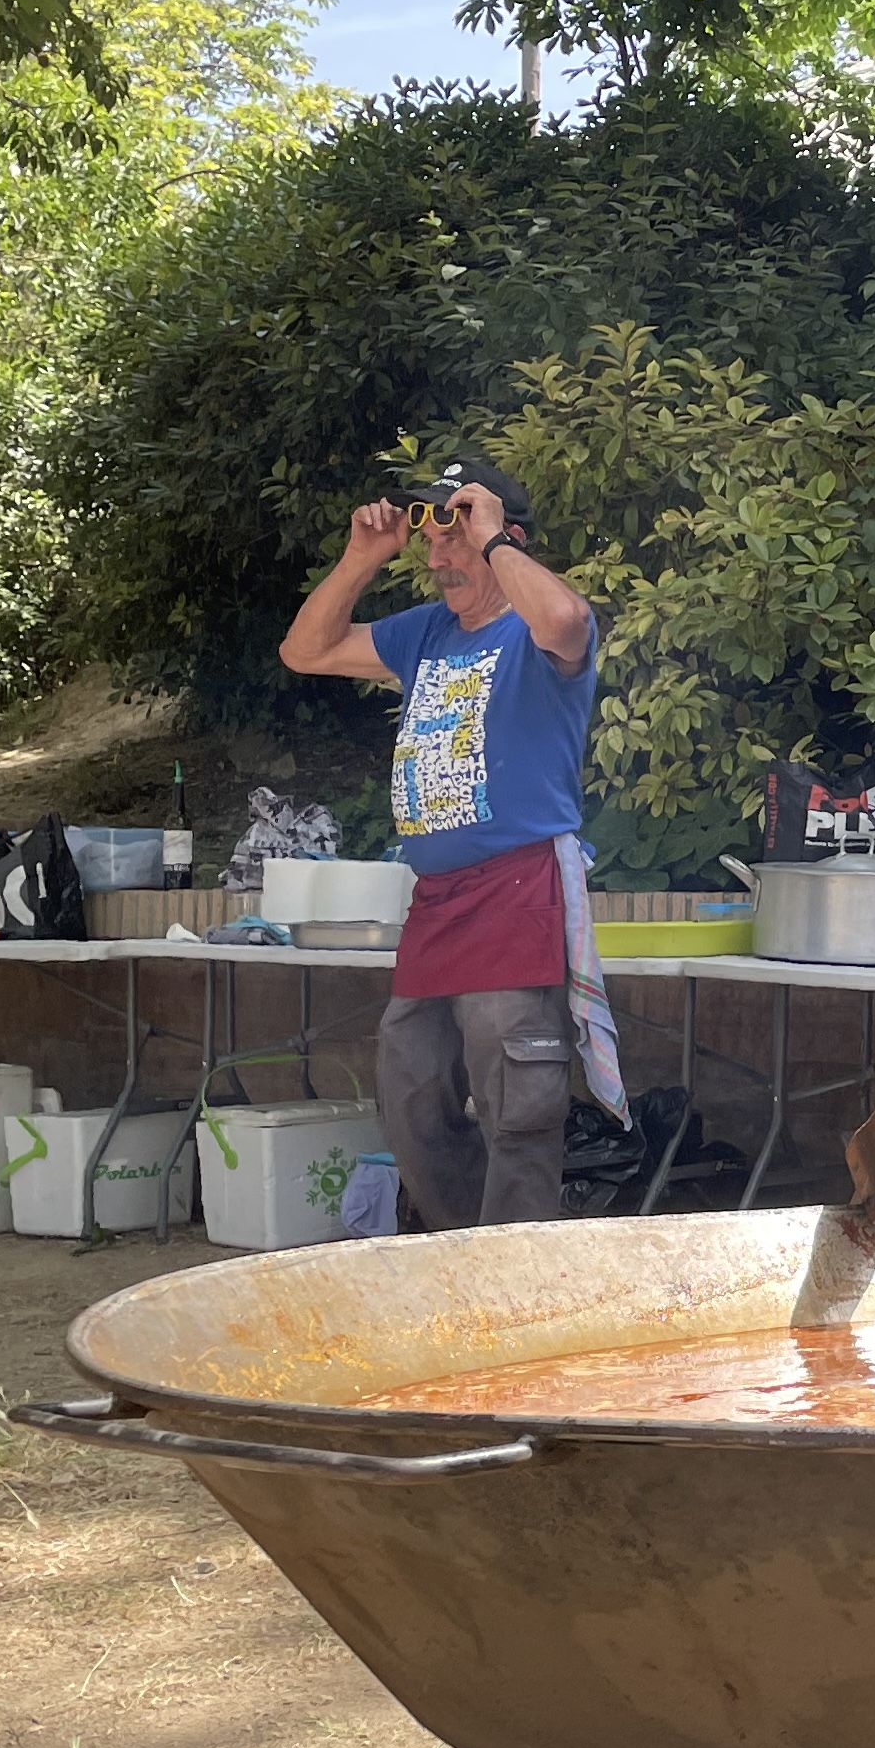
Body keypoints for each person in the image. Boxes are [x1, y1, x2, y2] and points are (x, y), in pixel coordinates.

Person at [278, 458, 613, 1230]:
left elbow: (567, 623)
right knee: (411, 1094)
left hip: (518, 889)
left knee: (515, 1099)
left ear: (508, 541)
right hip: (437, 904)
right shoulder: (426, 633)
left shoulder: (538, 633)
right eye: (433, 545)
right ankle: (460, 1255)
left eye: (454, 542)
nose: (438, 560)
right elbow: (307, 651)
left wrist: (491, 539)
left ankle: (516, 1276)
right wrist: (362, 559)